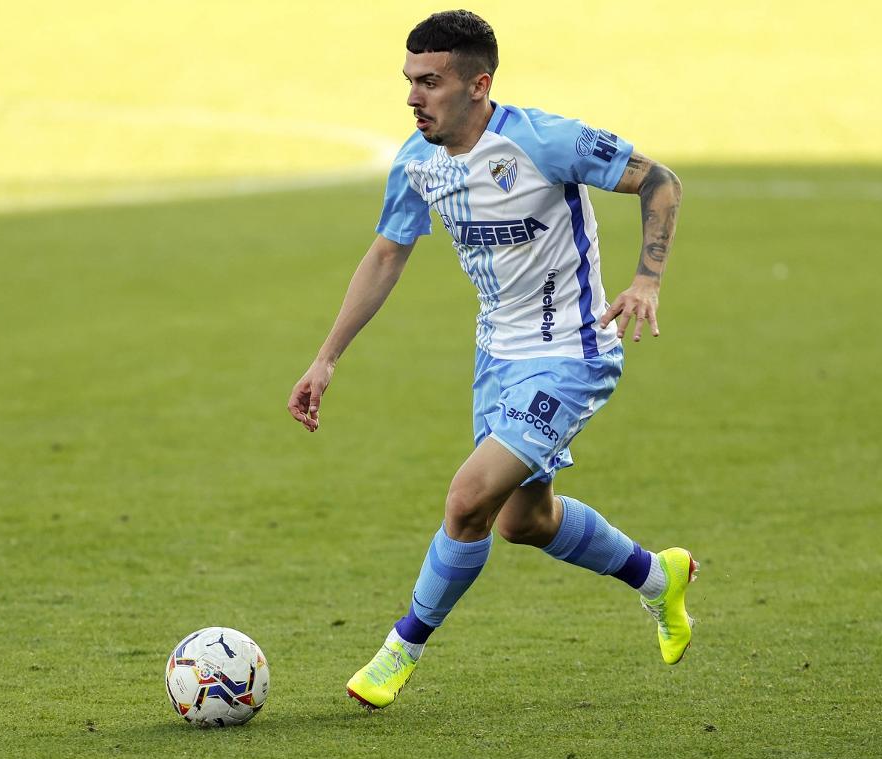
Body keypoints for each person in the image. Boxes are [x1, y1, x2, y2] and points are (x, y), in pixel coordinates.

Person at [287, 10, 695, 711]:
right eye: (409, 81)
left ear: (478, 85)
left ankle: (400, 649)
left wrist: (647, 279)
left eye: (430, 82)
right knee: (522, 522)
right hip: (496, 359)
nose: (414, 97)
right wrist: (326, 358)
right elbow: (388, 252)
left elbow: (661, 182)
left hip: (572, 353)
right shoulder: (417, 163)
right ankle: (659, 579)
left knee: (468, 500)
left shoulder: (544, 140)